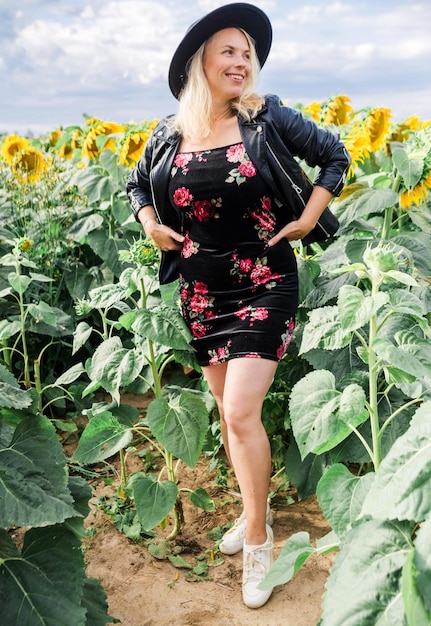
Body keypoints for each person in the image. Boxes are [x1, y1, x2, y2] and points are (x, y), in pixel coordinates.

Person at [127, 2, 350, 609]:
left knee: (243, 410)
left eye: (247, 52)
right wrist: (150, 222)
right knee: (228, 413)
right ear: (200, 61)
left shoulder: (268, 116)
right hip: (202, 289)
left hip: (264, 279)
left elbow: (337, 153)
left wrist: (307, 217)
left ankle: (258, 539)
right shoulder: (168, 133)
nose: (241, 59)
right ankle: (258, 511)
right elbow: (135, 185)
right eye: (228, 49)